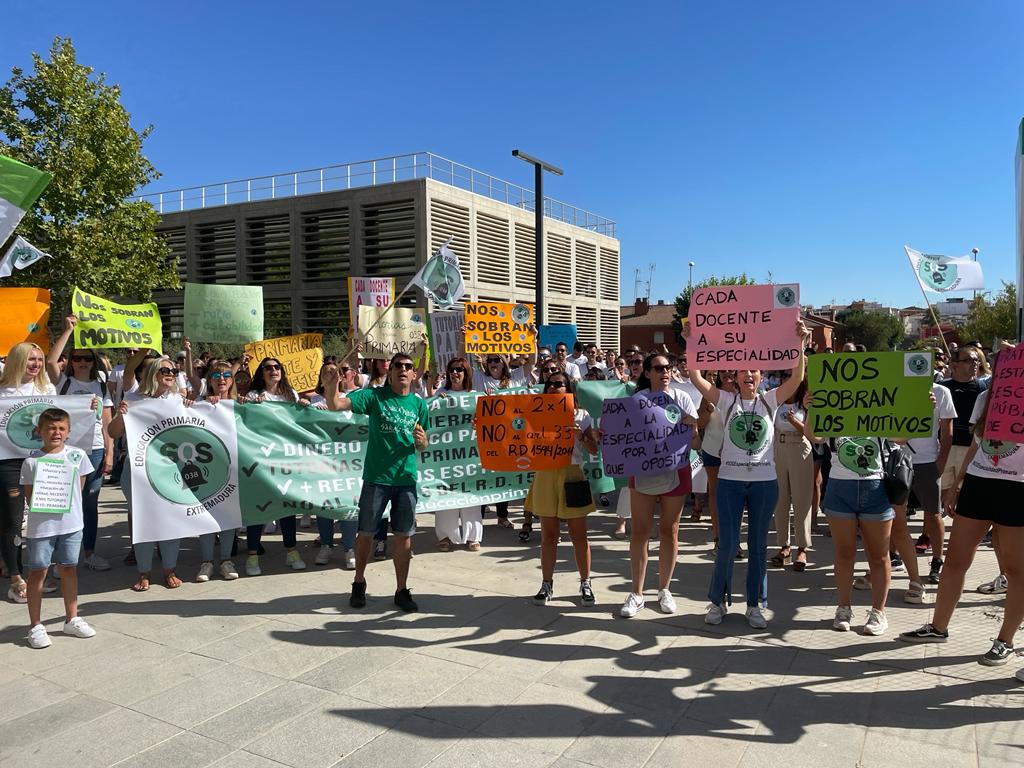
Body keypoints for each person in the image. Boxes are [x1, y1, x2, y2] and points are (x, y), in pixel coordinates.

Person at [899, 370, 1024, 672]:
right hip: (980, 483)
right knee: (955, 560)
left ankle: (1004, 640)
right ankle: (938, 627)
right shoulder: (986, 397)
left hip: (1017, 487)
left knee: (1016, 569)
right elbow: (976, 445)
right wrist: (956, 485)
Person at [688, 321, 810, 629]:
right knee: (727, 545)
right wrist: (691, 342)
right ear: (736, 376)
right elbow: (695, 377)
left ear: (760, 375)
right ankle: (717, 601)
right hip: (729, 482)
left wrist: (801, 344)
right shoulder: (726, 400)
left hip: (764, 485)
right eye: (742, 371)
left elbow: (797, 376)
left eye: (753, 370)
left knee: (758, 547)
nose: (748, 375)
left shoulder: (770, 400)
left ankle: (755, 604)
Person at [325, 352, 429, 612]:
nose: (403, 370)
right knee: (366, 534)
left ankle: (401, 590)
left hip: (406, 479)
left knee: (404, 536)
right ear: (390, 372)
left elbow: (424, 444)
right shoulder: (373, 396)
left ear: (414, 374)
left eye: (408, 366)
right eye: (397, 366)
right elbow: (336, 405)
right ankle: (359, 582)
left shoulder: (419, 405)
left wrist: (422, 442)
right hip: (376, 479)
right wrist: (329, 386)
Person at [619, 354, 699, 618]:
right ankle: (637, 593)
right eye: (658, 368)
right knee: (640, 531)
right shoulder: (636, 401)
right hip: (642, 472)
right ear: (648, 372)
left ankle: (664, 589)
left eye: (668, 367)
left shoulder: (683, 398)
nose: (665, 372)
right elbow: (623, 438)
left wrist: (692, 425)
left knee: (670, 531)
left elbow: (695, 443)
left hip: (676, 470)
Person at [20, 408, 97, 648]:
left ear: (69, 431)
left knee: (69, 570)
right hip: (41, 528)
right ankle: (35, 625)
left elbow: (79, 488)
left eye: (61, 428)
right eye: (51, 428)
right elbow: (30, 498)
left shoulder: (78, 456)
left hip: (72, 525)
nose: (56, 432)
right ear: (39, 431)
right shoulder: (31, 462)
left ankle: (71, 618)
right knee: (37, 573)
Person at [108, 356, 185, 591]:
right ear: (152, 372)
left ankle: (169, 569)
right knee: (143, 519)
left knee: (171, 519)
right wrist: (121, 414)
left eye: (174, 370)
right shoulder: (133, 399)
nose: (170, 374)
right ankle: (144, 572)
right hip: (138, 470)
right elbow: (112, 432)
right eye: (165, 370)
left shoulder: (178, 400)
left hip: (170, 469)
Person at [45, 315, 114, 571]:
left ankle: (89, 553)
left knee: (90, 503)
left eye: (87, 358)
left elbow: (107, 421)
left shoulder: (101, 385)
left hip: (94, 450)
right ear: (71, 362)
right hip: (66, 450)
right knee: (63, 502)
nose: (82, 362)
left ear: (93, 361)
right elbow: (51, 361)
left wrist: (109, 452)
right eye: (77, 358)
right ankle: (61, 556)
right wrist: (67, 331)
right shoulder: (63, 383)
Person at [528, 372, 599, 606]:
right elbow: (514, 434)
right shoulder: (534, 413)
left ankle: (585, 582)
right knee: (549, 536)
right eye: (550, 383)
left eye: (559, 384)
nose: (554, 387)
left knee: (579, 536)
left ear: (568, 387)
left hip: (572, 475)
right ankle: (546, 584)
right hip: (546, 475)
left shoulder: (582, 415)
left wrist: (582, 437)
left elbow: (593, 450)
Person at [0, 342, 56, 604]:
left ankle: (39, 572)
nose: (36, 364)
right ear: (17, 360)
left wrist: (89, 407)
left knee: (41, 518)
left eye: (40, 359)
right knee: (13, 521)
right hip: (8, 463)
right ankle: (15, 577)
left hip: (41, 461)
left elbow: (62, 421)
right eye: (30, 359)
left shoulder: (47, 389)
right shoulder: (2, 391)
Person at [243, 357, 309, 576]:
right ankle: (252, 555)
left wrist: (303, 408)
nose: (273, 371)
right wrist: (253, 406)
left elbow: (297, 424)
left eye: (277, 367)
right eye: (268, 368)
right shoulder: (254, 396)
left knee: (287, 505)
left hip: (284, 458)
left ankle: (292, 551)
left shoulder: (292, 395)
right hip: (261, 458)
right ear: (261, 373)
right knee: (259, 506)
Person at [310, 361, 359, 569]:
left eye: (334, 372)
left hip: (348, 463)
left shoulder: (351, 400)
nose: (330, 375)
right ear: (321, 379)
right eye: (325, 372)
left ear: (341, 376)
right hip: (322, 463)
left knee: (349, 504)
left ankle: (349, 547)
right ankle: (327, 545)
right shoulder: (314, 402)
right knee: (324, 505)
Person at [193, 362, 240, 581]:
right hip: (208, 470)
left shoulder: (241, 403)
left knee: (229, 518)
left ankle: (226, 560)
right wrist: (192, 404)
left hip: (234, 469)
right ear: (209, 381)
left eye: (227, 375)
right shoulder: (200, 405)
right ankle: (206, 562)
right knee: (206, 516)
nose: (222, 379)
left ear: (232, 379)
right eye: (216, 375)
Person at [432, 357, 484, 552]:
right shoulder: (442, 394)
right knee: (446, 495)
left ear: (466, 373)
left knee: (471, 494)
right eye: (452, 369)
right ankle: (445, 536)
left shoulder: (475, 395)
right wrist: (439, 403)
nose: (456, 373)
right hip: (447, 456)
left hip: (470, 454)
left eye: (460, 370)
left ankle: (473, 536)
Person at [770, 373, 813, 572]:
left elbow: (811, 433)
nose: (788, 382)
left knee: (801, 500)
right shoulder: (774, 401)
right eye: (784, 378)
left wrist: (796, 419)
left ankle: (802, 548)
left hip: (799, 448)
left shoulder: (805, 403)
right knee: (780, 501)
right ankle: (784, 546)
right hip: (778, 449)